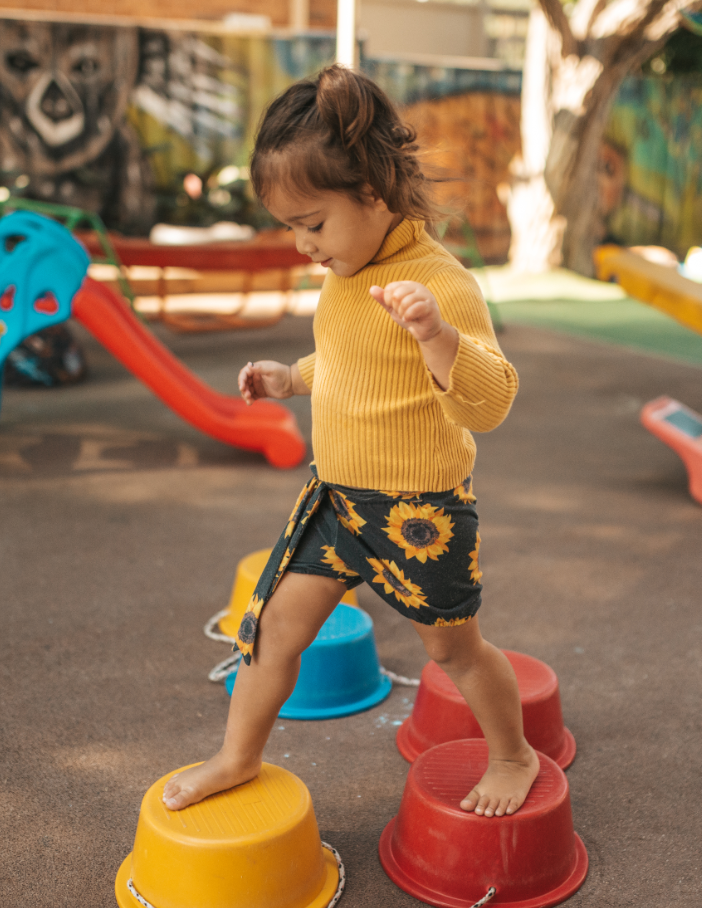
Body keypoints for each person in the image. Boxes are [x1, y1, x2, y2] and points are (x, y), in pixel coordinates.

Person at [161, 66, 537, 818]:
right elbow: (349, 360)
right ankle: (237, 757)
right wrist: (290, 379)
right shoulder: (345, 275)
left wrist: (437, 336)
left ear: (372, 191)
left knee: (453, 651)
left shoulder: (441, 285)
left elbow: (490, 403)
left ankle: (514, 755)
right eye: (292, 228)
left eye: (313, 223)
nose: (304, 244)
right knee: (269, 631)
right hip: (336, 503)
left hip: (420, 518)